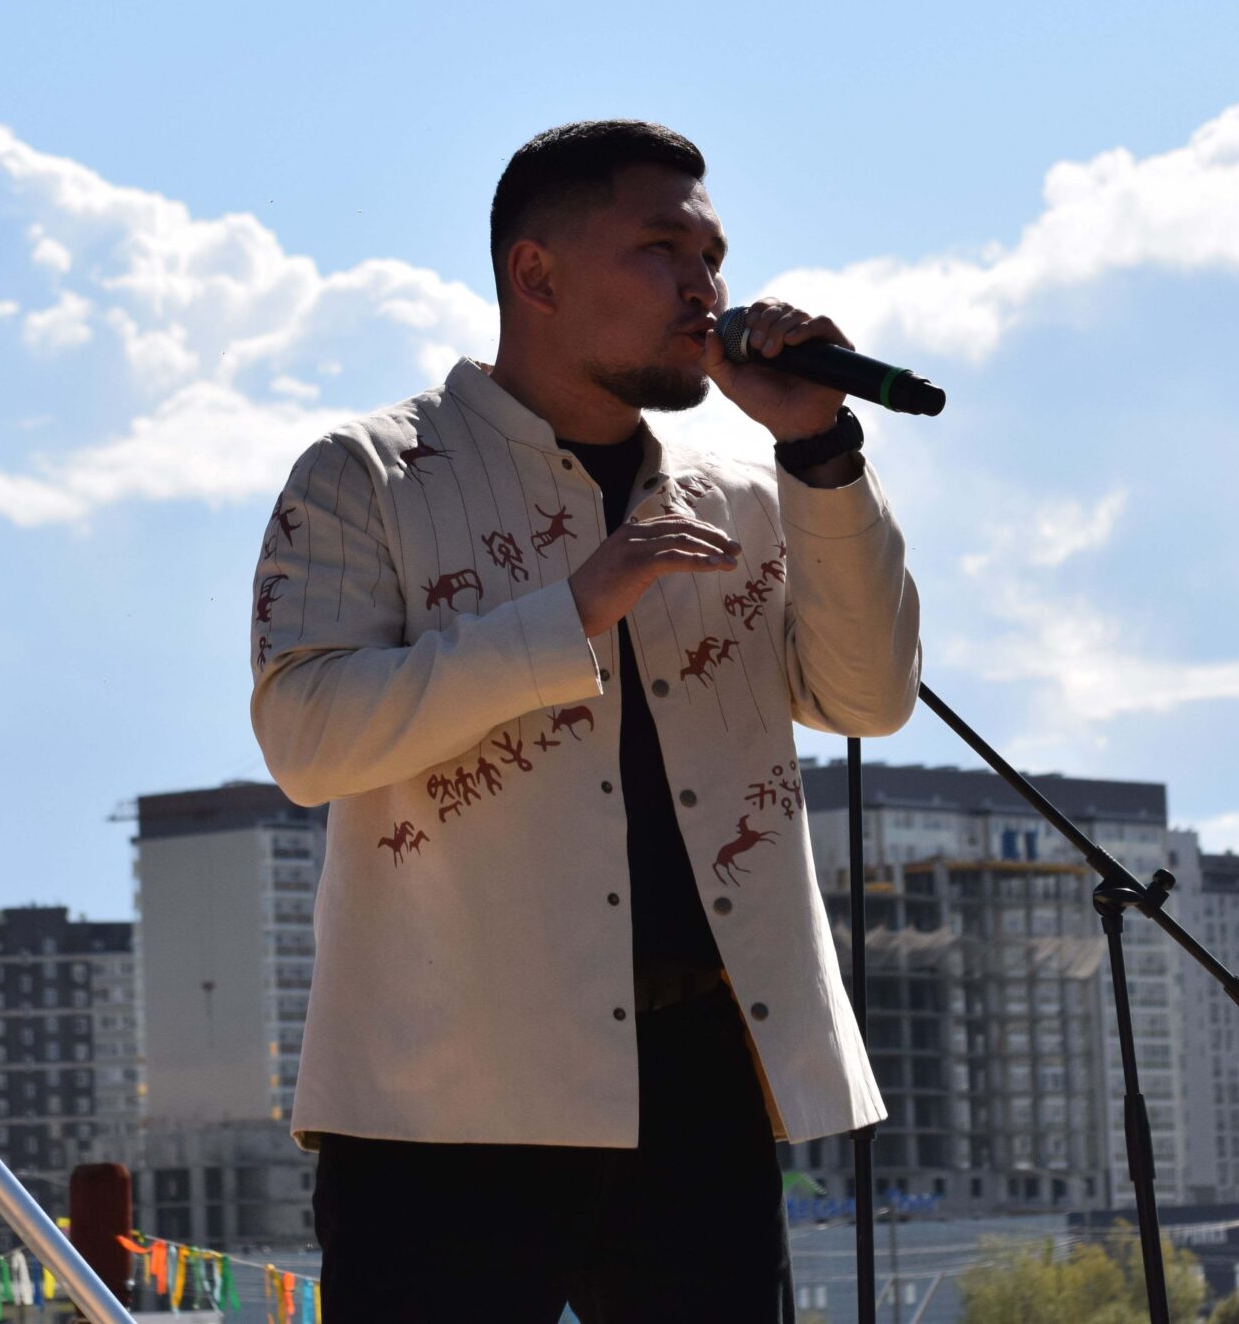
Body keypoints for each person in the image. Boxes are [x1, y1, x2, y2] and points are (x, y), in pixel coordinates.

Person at [248, 119, 922, 1321]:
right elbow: (307, 738)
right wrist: (568, 613)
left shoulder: (749, 496)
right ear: (537, 274)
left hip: (702, 1083)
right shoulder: (366, 475)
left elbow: (869, 698)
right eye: (662, 249)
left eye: (712, 256)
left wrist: (819, 448)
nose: (704, 286)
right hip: (442, 1100)